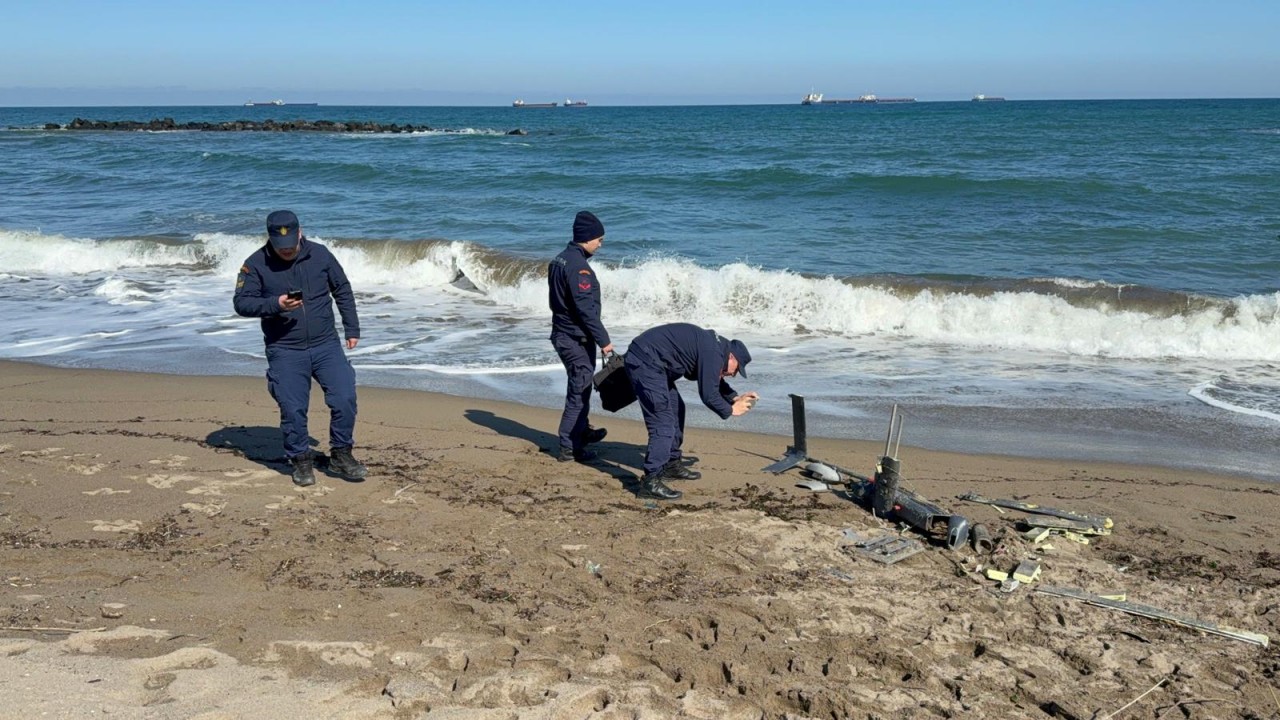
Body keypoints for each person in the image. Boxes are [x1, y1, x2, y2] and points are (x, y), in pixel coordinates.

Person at [233, 210, 367, 487]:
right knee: (293, 409)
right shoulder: (255, 264)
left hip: (326, 344)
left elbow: (342, 289)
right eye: (281, 247)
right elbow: (241, 303)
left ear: (300, 233)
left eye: (291, 246)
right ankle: (300, 459)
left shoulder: (320, 255)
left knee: (344, 398)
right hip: (285, 349)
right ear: (270, 238)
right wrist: (275, 305)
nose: (286, 251)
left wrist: (352, 328)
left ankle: (341, 454)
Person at [623, 323, 758, 500]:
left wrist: (734, 397)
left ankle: (671, 464)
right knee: (663, 422)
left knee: (677, 409)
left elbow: (712, 380)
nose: (733, 375)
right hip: (646, 362)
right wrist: (731, 410)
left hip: (656, 364)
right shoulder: (714, 352)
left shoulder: (717, 348)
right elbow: (709, 395)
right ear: (731, 357)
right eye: (736, 370)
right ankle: (651, 480)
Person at [547, 210, 614, 462]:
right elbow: (585, 310)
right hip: (574, 339)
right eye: (599, 239)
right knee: (579, 390)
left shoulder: (559, 259)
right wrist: (605, 341)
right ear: (586, 238)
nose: (601, 244)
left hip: (564, 334)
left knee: (581, 387)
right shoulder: (579, 268)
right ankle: (569, 446)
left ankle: (581, 431)